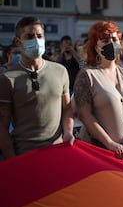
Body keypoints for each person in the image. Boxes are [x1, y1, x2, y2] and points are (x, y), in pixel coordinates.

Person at [73, 21, 123, 161]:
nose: (111, 43)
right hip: (102, 154)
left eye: (115, 39)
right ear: (96, 47)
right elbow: (85, 115)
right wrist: (109, 143)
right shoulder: (87, 76)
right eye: (105, 40)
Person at [0, 16, 74, 159]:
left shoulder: (60, 71)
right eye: (29, 36)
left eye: (39, 36)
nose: (36, 40)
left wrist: (68, 131)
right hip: (24, 155)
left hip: (57, 152)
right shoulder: (7, 78)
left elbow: (67, 108)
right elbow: (3, 125)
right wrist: (12, 159)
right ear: (18, 41)